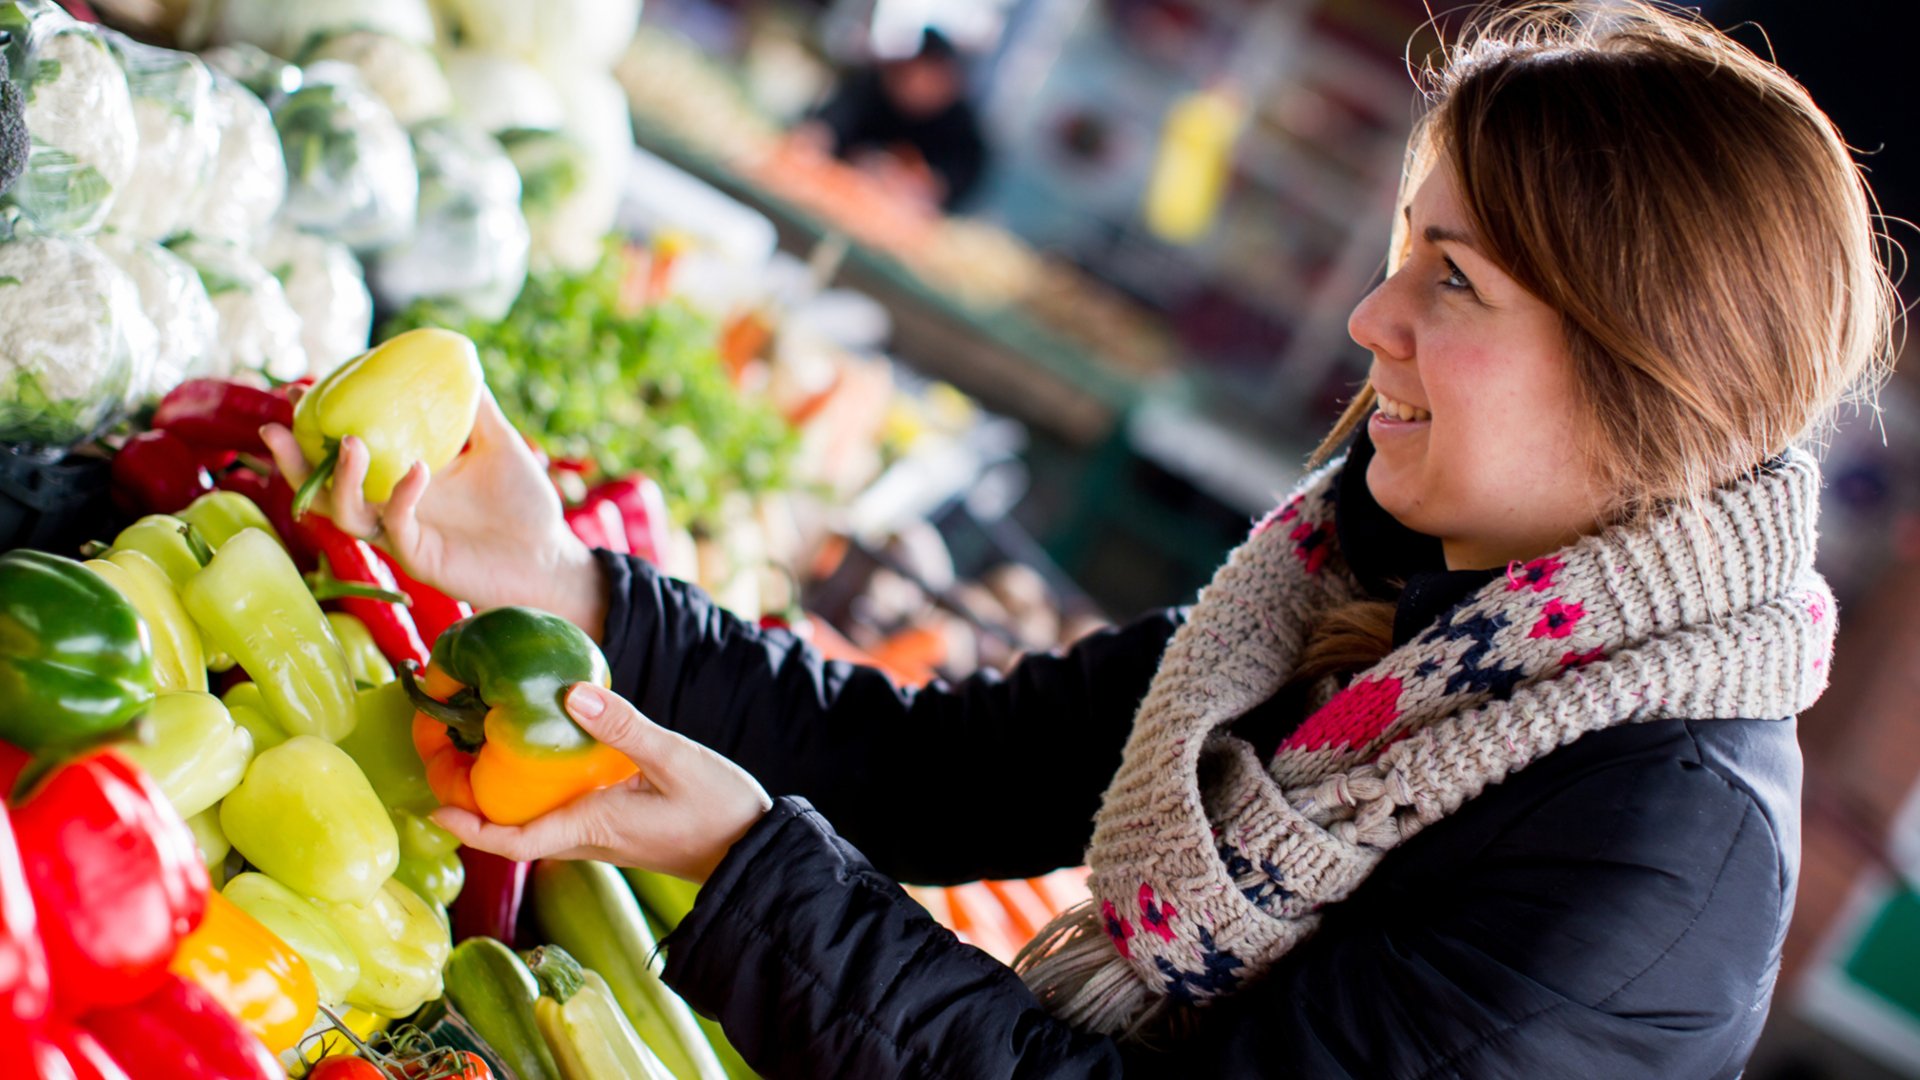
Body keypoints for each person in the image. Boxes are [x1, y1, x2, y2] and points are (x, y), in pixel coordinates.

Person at [265, 2, 1896, 1074]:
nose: (1369, 313)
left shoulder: (1653, 850)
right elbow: (929, 766)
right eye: (1406, 248)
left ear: (1640, 377)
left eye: (1452, 279)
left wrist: (744, 865)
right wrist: (575, 591)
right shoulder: (1365, 591)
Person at [794, 28, 989, 211]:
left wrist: (925, 185)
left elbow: (959, 176)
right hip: (831, 195)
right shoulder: (870, 87)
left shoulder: (959, 124)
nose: (920, 87)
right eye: (915, 75)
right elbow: (827, 126)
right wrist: (818, 137)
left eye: (932, 80)